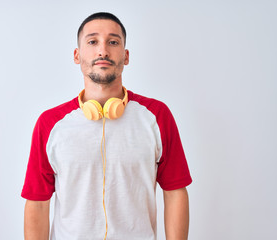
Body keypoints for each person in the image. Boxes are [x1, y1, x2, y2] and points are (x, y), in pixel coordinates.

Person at [22, 12, 192, 240]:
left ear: (126, 55)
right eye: (92, 42)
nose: (103, 50)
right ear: (77, 55)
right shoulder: (50, 123)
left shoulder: (157, 116)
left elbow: (174, 192)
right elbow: (38, 203)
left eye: (113, 42)